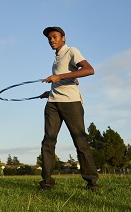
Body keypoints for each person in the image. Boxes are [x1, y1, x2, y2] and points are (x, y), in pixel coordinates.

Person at [39, 27, 99, 191]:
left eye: (55, 37)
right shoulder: (56, 58)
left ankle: (92, 182)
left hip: (71, 103)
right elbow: (64, 78)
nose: (52, 40)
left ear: (63, 38)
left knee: (80, 141)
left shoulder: (71, 51)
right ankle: (47, 183)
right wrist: (50, 90)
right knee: (48, 142)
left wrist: (60, 77)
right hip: (53, 103)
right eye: (49, 38)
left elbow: (89, 70)